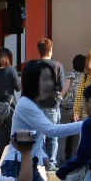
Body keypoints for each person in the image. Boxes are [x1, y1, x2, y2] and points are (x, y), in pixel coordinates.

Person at [35, 38, 66, 167]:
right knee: (53, 136)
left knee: (39, 136)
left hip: (38, 105)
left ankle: (41, 161)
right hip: (53, 105)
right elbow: (62, 85)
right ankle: (52, 163)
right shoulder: (57, 66)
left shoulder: (34, 66)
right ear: (50, 50)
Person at [58, 54, 87, 162]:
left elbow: (63, 92)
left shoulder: (70, 75)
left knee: (62, 136)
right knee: (78, 137)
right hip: (80, 110)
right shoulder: (87, 77)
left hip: (66, 108)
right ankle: (75, 159)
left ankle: (60, 159)